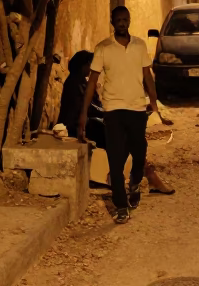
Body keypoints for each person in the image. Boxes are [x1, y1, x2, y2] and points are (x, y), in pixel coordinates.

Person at [78, 6, 172, 224]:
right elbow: (92, 81)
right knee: (115, 158)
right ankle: (121, 205)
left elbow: (147, 76)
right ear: (112, 22)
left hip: (137, 108)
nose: (122, 23)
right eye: (118, 20)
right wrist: (83, 113)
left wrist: (154, 104)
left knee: (139, 153)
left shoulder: (139, 46)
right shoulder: (103, 48)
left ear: (129, 21)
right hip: (113, 110)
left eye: (125, 19)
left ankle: (135, 183)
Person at [61, 48, 174, 196]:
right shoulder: (74, 83)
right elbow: (87, 109)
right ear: (84, 65)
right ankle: (144, 177)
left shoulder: (82, 82)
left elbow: (97, 106)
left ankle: (136, 176)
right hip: (79, 127)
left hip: (91, 123)